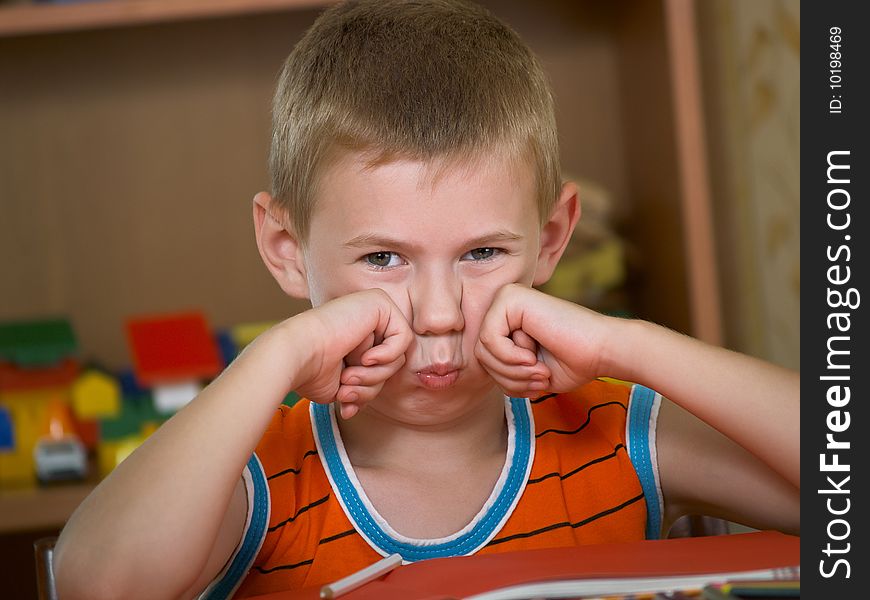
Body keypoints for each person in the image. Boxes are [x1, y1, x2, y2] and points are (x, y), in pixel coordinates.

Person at [53, 1, 800, 598]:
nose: (438, 313)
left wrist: (625, 344)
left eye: (481, 253)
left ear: (550, 238)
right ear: (286, 249)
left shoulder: (613, 428)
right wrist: (276, 354)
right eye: (383, 258)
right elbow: (101, 584)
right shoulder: (258, 474)